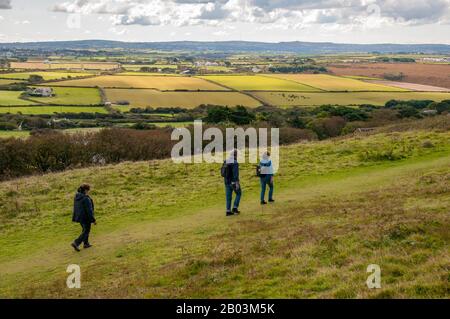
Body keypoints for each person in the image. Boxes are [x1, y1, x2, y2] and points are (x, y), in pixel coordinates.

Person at [71, 184, 96, 252]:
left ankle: (86, 243)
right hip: (86, 217)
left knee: (84, 230)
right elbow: (89, 210)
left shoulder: (77, 197)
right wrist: (93, 220)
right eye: (88, 190)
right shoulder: (86, 198)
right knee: (86, 231)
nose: (88, 192)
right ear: (85, 190)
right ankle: (76, 243)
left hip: (79, 217)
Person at [223, 149, 242, 216]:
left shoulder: (225, 161)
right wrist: (237, 182)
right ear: (235, 155)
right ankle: (235, 208)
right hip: (233, 182)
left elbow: (223, 173)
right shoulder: (235, 162)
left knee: (228, 197)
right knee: (239, 193)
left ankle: (228, 211)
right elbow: (235, 174)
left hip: (226, 181)